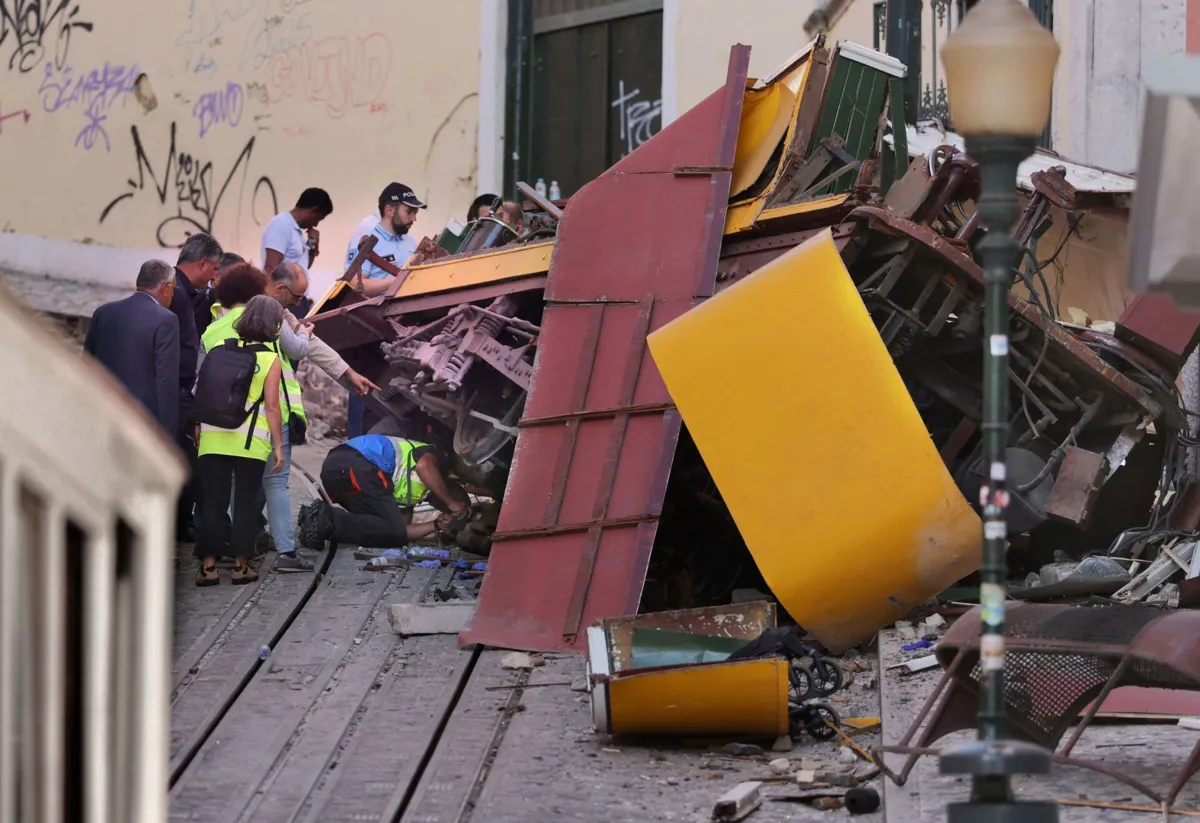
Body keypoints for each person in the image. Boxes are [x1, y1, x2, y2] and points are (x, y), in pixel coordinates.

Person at [195, 295, 286, 587]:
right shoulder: (270, 359)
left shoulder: (219, 351)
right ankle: (240, 565)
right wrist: (279, 445)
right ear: (273, 326)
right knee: (244, 502)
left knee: (212, 502)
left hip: (211, 437)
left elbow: (202, 392)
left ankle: (207, 568)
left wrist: (198, 427)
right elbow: (272, 406)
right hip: (249, 443)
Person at [297, 434, 472, 551]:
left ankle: (319, 523)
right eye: (459, 508)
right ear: (450, 486)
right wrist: (451, 502)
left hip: (338, 474)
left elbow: (401, 532)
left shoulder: (412, 496)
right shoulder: (437, 459)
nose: (452, 512)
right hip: (357, 464)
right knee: (392, 531)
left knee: (382, 529)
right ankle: (327, 518)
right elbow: (423, 466)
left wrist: (436, 525)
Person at [84, 260, 180, 436]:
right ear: (165, 287)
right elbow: (166, 381)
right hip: (141, 423)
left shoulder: (104, 312)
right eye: (174, 289)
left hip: (101, 413)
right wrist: (167, 432)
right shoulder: (166, 320)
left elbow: (87, 364)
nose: (173, 294)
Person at [172, 233, 224, 541]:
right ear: (203, 263)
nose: (216, 276)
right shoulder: (176, 292)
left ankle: (181, 525)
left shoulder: (186, 292)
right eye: (215, 268)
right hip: (177, 393)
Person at [343, 183, 426, 297]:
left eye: (415, 213)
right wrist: (392, 282)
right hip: (376, 312)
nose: (414, 218)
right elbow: (354, 285)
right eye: (409, 212)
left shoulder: (411, 243)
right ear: (389, 211)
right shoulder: (364, 242)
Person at [262, 187, 334, 275]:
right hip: (282, 288)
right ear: (314, 210)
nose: (316, 225)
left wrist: (313, 244)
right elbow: (270, 268)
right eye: (318, 219)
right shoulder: (281, 224)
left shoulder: (297, 231)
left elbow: (304, 268)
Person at [195, 252, 246, 336]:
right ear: (216, 276)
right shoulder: (196, 299)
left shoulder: (245, 301)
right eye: (237, 279)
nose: (242, 285)